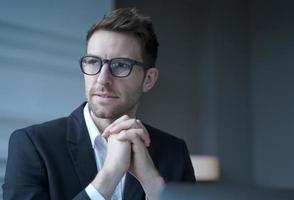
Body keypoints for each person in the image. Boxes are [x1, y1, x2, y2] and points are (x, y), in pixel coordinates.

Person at [2, 7, 195, 200]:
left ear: (149, 79)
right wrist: (108, 176)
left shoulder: (174, 153)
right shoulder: (31, 145)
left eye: (120, 65)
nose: (102, 79)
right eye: (93, 62)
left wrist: (153, 185)